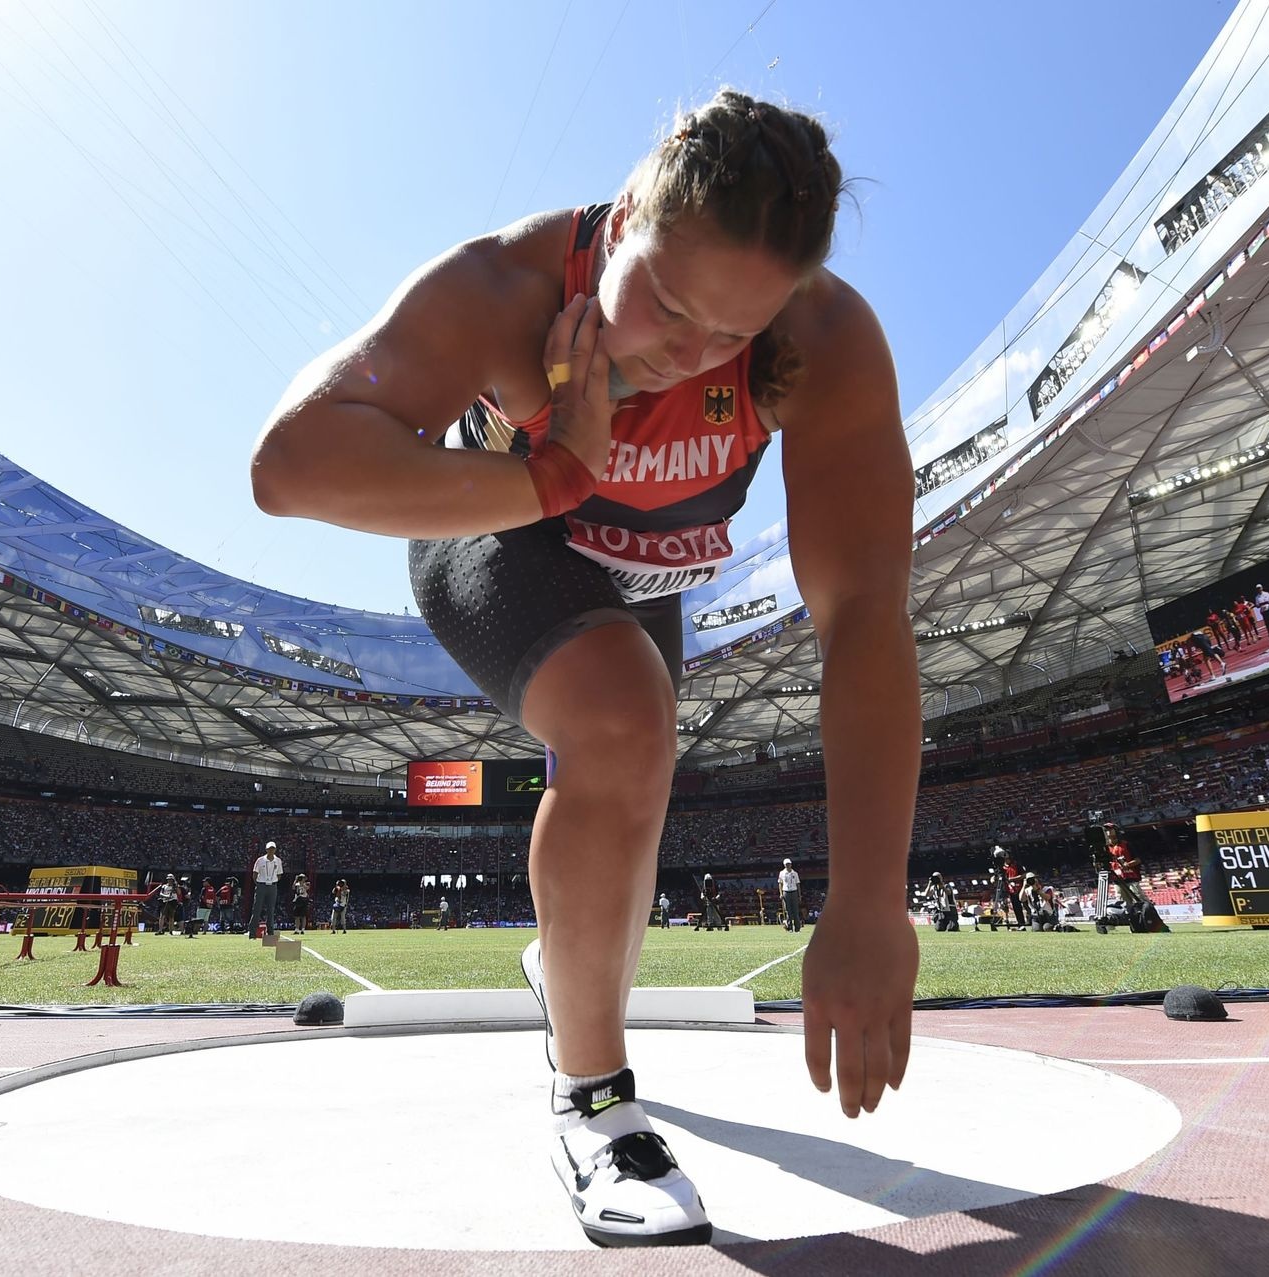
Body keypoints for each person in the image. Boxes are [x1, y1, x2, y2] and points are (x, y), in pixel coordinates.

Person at [252, 90, 919, 1246]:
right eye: (664, 302)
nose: (683, 353)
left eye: (728, 335)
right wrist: (550, 476)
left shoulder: (824, 340)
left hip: (645, 581)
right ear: (621, 220)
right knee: (621, 722)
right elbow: (289, 464)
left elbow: (862, 610)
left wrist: (870, 895)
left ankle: (559, 968)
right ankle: (594, 1106)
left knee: (638, 803)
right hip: (508, 524)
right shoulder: (505, 291)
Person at [249, 842, 283, 938]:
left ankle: (270, 932)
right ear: (266, 849)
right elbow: (255, 874)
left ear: (275, 849)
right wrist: (259, 884)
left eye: (273, 849)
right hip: (262, 885)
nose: (271, 850)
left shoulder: (278, 861)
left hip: (272, 886)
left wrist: (273, 881)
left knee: (271, 910)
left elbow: (279, 874)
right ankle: (252, 933)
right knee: (257, 909)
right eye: (269, 849)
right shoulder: (260, 860)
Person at [778, 857, 803, 932]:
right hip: (786, 892)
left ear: (791, 864)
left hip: (794, 891)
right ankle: (790, 928)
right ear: (784, 865)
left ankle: (797, 928)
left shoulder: (795, 873)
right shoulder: (782, 873)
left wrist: (799, 895)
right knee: (788, 911)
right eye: (786, 864)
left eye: (789, 864)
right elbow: (780, 884)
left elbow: (798, 884)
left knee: (795, 911)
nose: (788, 865)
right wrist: (781, 893)